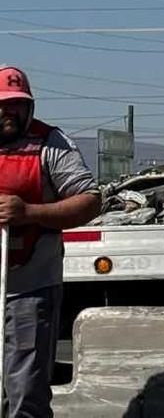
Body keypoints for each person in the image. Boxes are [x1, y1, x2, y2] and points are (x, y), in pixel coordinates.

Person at [0, 66, 101, 417]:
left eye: (16, 105)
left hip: (31, 288)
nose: (7, 112)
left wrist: (29, 212)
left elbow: (88, 199)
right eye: (0, 104)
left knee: (26, 391)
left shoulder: (51, 144)